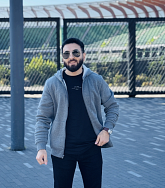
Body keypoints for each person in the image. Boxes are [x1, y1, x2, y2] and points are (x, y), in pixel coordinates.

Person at [35, 38, 119, 188]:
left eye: (75, 52)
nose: (71, 57)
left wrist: (107, 130)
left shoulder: (96, 80)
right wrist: (41, 147)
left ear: (84, 55)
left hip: (91, 148)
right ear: (62, 58)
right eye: (66, 54)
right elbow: (43, 118)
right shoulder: (52, 83)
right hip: (62, 151)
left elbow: (112, 106)